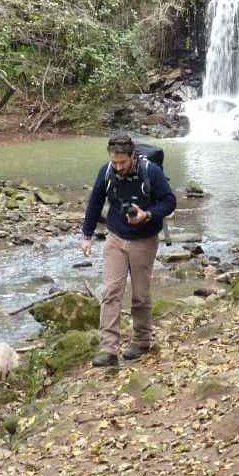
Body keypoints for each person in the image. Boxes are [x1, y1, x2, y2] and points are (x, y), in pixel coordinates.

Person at [81, 133, 177, 367]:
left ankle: (142, 340)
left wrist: (147, 214)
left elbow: (169, 201)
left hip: (144, 239)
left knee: (140, 295)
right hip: (115, 236)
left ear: (132, 156)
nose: (118, 167)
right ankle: (108, 348)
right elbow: (95, 202)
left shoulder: (150, 171)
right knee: (111, 291)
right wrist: (87, 235)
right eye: (114, 162)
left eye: (122, 162)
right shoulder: (106, 172)